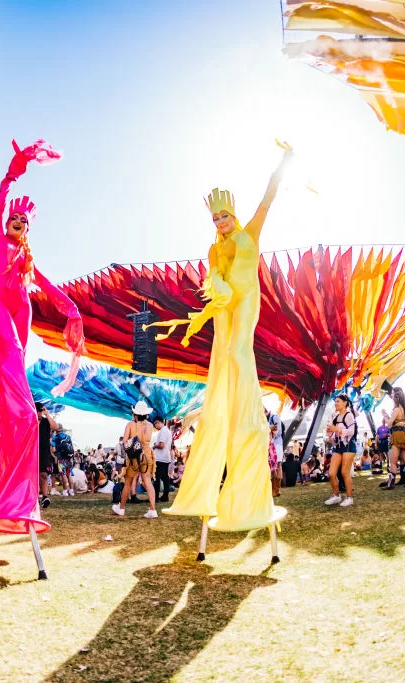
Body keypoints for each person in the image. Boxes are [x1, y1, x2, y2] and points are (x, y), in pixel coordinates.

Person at [150, 143, 293, 533]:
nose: (221, 222)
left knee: (238, 352)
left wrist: (284, 162)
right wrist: (215, 284)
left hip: (248, 301)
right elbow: (212, 279)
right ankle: (228, 413)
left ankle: (247, 410)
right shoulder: (214, 249)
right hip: (226, 307)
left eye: (225, 215)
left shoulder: (250, 232)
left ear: (234, 213)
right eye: (215, 218)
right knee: (225, 353)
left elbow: (268, 197)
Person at [0, 139, 84, 537]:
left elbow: (47, 285)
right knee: (9, 355)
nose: (15, 227)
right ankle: (20, 419)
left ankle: (16, 425)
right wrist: (13, 170)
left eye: (22, 225)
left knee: (17, 363)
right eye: (13, 222)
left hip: (22, 308)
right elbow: (0, 198)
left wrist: (70, 307)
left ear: (29, 229)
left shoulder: (26, 258)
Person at [112, 401, 158, 518]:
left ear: (135, 414)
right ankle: (153, 510)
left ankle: (121, 508)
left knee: (128, 482)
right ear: (146, 414)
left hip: (134, 456)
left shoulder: (130, 425)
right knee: (147, 481)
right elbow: (147, 440)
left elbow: (125, 441)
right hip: (147, 455)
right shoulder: (150, 425)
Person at [324, 394, 357, 507]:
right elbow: (330, 433)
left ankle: (349, 497)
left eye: (338, 401)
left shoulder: (349, 415)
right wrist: (329, 430)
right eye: (335, 402)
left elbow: (351, 431)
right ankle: (336, 496)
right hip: (338, 446)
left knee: (344, 472)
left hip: (349, 446)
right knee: (331, 473)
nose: (336, 403)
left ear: (345, 403)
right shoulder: (334, 416)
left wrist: (337, 429)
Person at [380, 387, 405, 490]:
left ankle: (391, 484)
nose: (391, 396)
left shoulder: (396, 409)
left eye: (392, 395)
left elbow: (389, 424)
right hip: (404, 434)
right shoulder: (403, 408)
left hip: (397, 435)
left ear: (395, 397)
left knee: (393, 461)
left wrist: (384, 415)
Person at [37, 402, 60, 508]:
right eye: (38, 411)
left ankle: (45, 496)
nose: (39, 413)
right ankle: (35, 497)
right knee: (33, 475)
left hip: (44, 451)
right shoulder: (30, 421)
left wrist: (47, 414)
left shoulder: (46, 421)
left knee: (44, 474)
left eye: (41, 411)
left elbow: (55, 427)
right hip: (32, 451)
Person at [152, 417, 174, 503]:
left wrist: (154, 446)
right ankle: (165, 496)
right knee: (165, 478)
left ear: (159, 422)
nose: (155, 426)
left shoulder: (163, 431)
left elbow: (161, 445)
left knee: (157, 478)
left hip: (160, 457)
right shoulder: (166, 431)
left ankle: (156, 497)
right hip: (165, 457)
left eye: (155, 424)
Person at [52, 426, 75, 496]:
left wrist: (55, 455)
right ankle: (71, 491)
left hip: (61, 459)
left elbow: (53, 449)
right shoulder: (68, 437)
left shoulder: (55, 438)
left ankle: (65, 491)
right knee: (69, 474)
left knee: (63, 474)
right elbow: (71, 447)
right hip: (69, 458)